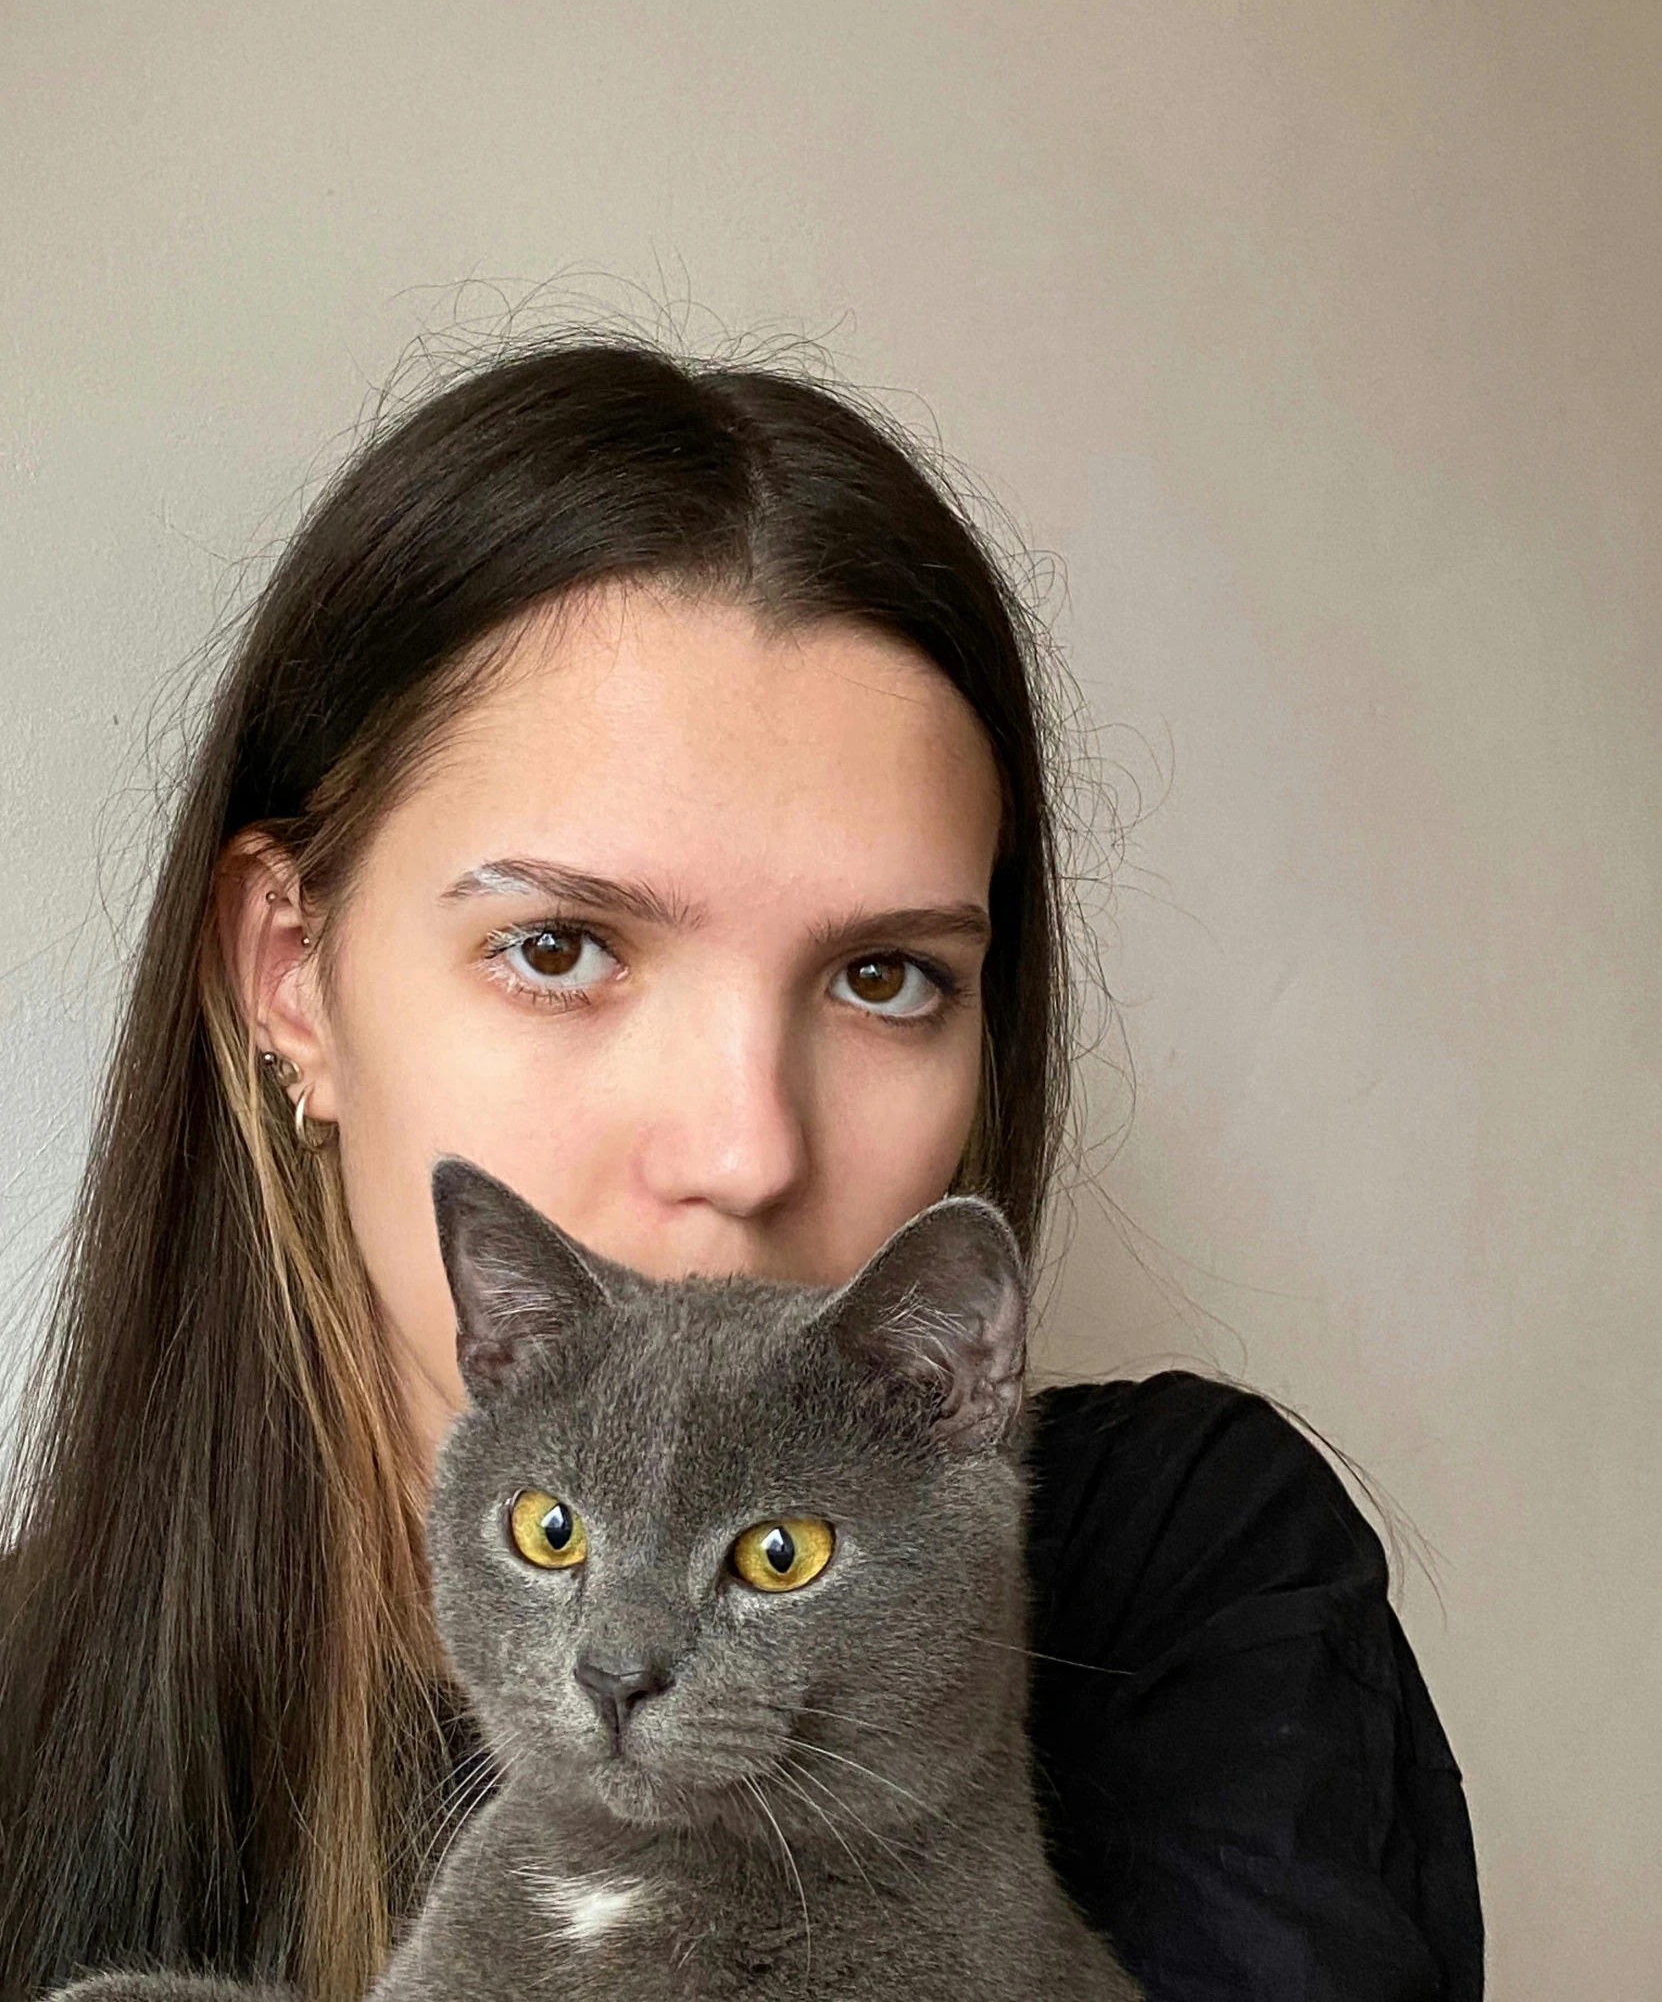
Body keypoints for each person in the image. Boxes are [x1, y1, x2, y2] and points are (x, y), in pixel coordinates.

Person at [0, 341, 1482, 2002]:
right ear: (293, 975)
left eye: (882, 978)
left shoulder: (1186, 1578)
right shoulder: (27, 1716)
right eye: (559, 946)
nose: (746, 1148)